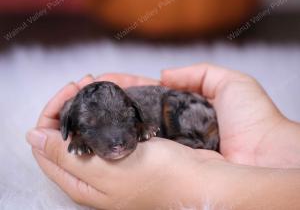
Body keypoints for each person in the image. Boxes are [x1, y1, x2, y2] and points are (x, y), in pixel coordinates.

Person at [26, 64, 300, 209]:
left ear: (134, 111)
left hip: (188, 110)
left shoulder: (143, 110)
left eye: (127, 120)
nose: (117, 139)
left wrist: (200, 179)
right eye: (91, 128)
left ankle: (200, 140)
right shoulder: (72, 118)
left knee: (185, 111)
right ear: (68, 126)